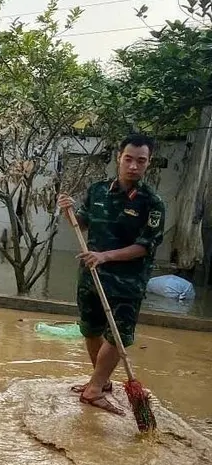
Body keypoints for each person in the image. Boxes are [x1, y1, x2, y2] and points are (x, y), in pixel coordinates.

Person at [57, 134, 166, 416]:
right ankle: (101, 382)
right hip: (91, 275)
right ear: (119, 157)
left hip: (127, 281)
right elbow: (81, 223)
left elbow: (145, 246)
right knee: (91, 329)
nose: (133, 166)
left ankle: (93, 390)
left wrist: (105, 256)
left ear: (148, 163)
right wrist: (68, 211)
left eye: (141, 161)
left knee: (118, 335)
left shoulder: (152, 203)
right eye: (128, 159)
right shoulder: (98, 190)